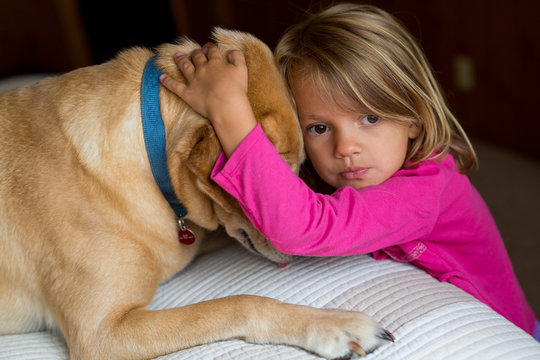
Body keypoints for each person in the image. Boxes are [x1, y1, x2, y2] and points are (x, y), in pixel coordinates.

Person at [160, 3, 537, 338]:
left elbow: (302, 228)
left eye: (370, 118)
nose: (345, 148)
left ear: (414, 120)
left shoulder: (423, 192)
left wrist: (230, 112)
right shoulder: (364, 165)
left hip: (512, 331)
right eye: (319, 128)